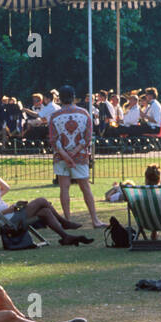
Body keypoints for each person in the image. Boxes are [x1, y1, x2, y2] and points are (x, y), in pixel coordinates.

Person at [0, 169, 92, 245]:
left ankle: (65, 237)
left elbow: (6, 188)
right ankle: (64, 222)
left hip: (14, 214)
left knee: (45, 211)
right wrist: (10, 209)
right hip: (10, 220)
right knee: (42, 200)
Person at [48, 85, 104, 228]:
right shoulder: (84, 113)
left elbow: (54, 140)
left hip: (61, 157)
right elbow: (87, 137)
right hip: (79, 156)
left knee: (64, 188)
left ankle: (67, 220)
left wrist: (66, 156)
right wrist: (74, 152)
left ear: (60, 98)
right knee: (85, 187)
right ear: (73, 97)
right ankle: (95, 220)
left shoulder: (55, 116)